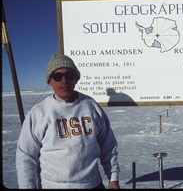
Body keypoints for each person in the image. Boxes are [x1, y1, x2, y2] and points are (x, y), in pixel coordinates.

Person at [16, 53, 120, 189]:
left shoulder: (91, 106)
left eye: (69, 75)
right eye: (58, 76)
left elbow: (108, 146)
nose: (64, 80)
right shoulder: (38, 113)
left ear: (75, 79)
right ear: (50, 81)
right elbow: (26, 156)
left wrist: (113, 178)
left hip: (92, 184)